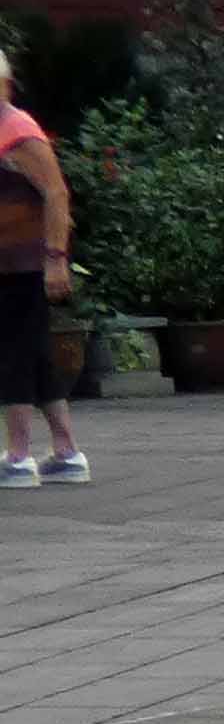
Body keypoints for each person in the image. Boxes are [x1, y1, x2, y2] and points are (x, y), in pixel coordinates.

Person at [0, 44, 80, 490]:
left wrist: (55, 259)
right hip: (10, 260)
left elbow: (56, 192)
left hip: (26, 261)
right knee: (33, 353)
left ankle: (17, 457)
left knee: (13, 353)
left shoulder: (17, 129)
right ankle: (67, 453)